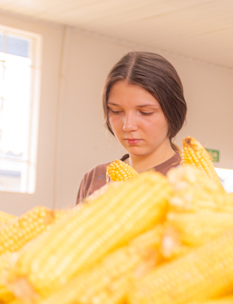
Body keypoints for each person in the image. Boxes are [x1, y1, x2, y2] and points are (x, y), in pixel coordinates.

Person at [75, 52, 186, 204]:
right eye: (116, 111)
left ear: (172, 113)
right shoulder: (95, 178)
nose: (128, 126)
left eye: (145, 112)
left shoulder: (191, 183)